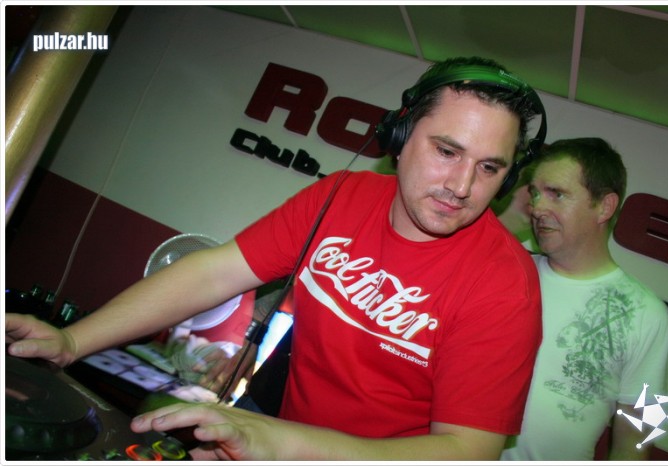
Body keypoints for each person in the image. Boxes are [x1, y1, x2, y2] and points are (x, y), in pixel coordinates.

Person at [6, 56, 544, 461]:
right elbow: (215, 271)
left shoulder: (504, 284)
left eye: (489, 168)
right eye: (447, 151)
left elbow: (466, 451)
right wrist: (72, 342)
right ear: (399, 136)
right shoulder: (342, 195)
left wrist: (279, 443)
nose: (461, 186)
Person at [499, 137, 668, 461]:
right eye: (535, 193)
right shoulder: (506, 272)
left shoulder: (646, 313)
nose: (537, 208)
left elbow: (638, 434)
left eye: (557, 194)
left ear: (605, 206)